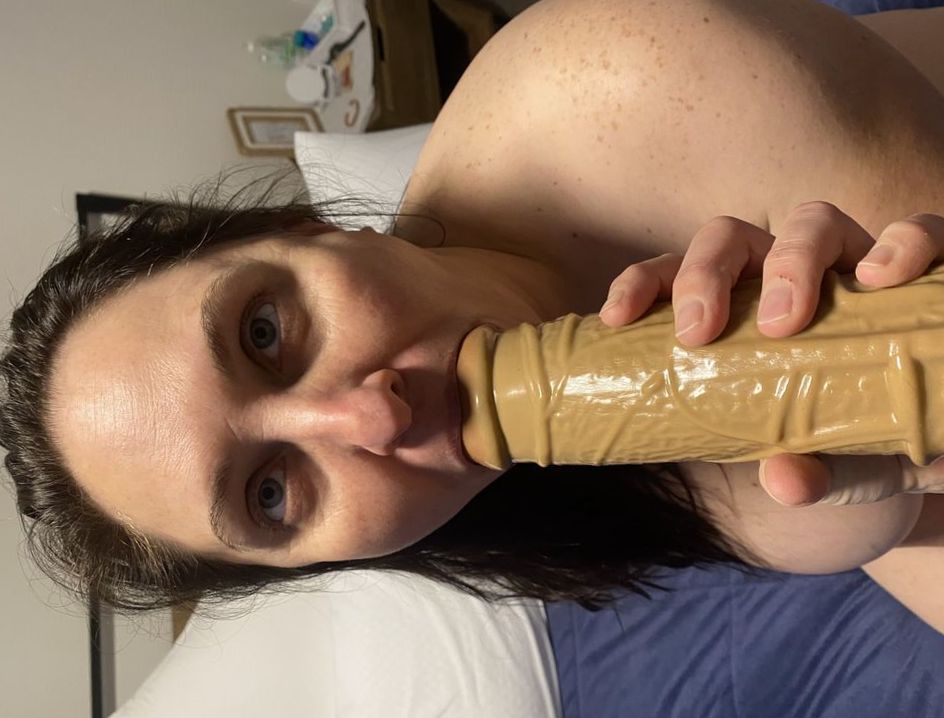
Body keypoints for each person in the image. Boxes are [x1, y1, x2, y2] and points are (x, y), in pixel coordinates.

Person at [1, 0, 943, 631]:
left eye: (263, 334)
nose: (371, 416)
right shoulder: (528, 509)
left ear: (307, 229)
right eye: (272, 495)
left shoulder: (625, 72)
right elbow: (898, 524)